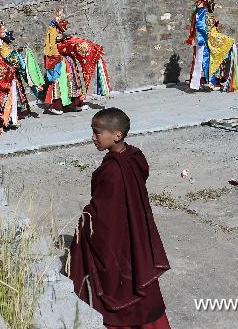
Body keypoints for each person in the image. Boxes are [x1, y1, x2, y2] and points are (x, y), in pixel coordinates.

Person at [69, 108, 171, 329]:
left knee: (119, 283)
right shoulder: (134, 156)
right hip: (136, 228)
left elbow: (103, 215)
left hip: (119, 233)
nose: (93, 137)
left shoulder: (113, 172)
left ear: (117, 135)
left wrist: (86, 222)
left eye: (97, 132)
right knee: (137, 275)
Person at [186, 0, 238, 92]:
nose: (212, 6)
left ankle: (219, 79)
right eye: (211, 3)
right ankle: (210, 81)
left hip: (211, 39)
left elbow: (211, 27)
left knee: (220, 55)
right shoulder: (201, 11)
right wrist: (206, 37)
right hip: (205, 40)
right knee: (206, 60)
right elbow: (201, 26)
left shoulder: (207, 13)